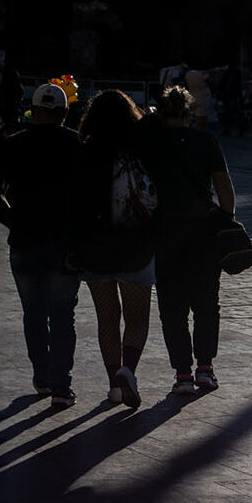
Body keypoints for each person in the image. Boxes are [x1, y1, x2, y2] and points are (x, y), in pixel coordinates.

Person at [0, 83, 84, 407]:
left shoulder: (10, 145)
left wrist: (11, 219)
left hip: (24, 241)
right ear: (64, 112)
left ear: (33, 110)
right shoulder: (77, 145)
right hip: (64, 244)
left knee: (33, 312)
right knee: (63, 315)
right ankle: (62, 387)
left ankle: (42, 377)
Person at [137, 86, 236, 396]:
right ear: (190, 113)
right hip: (204, 234)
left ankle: (182, 373)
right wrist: (224, 218)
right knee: (207, 304)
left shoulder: (151, 144)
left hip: (166, 235)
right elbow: (225, 190)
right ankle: (205, 368)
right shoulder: (206, 141)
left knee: (172, 308)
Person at [74, 89, 155, 408]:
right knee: (137, 319)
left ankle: (114, 386)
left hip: (95, 249)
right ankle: (128, 371)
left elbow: (74, 206)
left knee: (107, 318)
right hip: (135, 246)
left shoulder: (84, 151)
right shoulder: (141, 148)